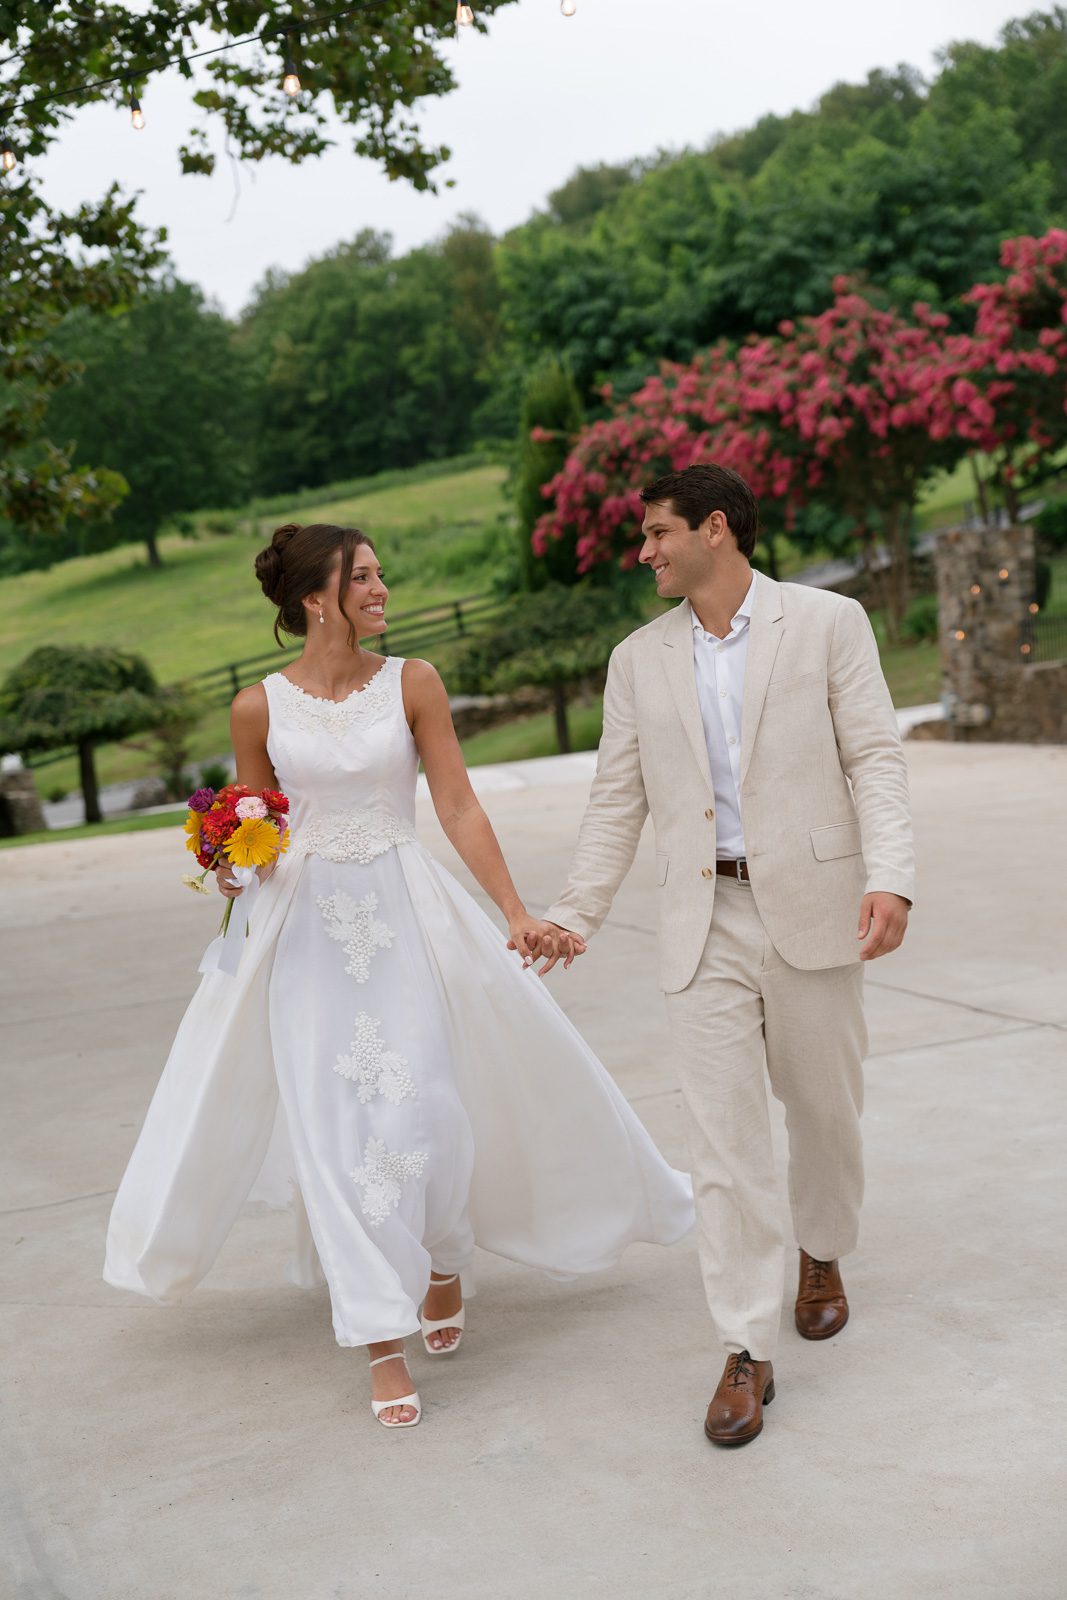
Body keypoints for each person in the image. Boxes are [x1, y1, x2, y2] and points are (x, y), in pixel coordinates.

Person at [104, 521, 693, 1429]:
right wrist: (230, 861)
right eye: (366, 577)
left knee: (423, 1107)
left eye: (382, 575)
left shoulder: (412, 683)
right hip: (302, 933)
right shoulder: (256, 706)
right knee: (338, 1127)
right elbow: (254, 823)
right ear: (314, 598)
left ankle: (444, 1253)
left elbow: (454, 802)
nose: (383, 590)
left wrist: (514, 911)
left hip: (403, 911)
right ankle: (380, 1334)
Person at [542, 464, 914, 1446]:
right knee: (723, 1142)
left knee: (823, 1107)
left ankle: (821, 1248)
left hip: (812, 904)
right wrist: (575, 910)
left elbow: (872, 754)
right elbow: (615, 799)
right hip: (698, 920)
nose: (645, 552)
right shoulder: (637, 659)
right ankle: (745, 1346)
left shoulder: (827, 625)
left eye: (658, 533)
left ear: (715, 529)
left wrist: (892, 876)